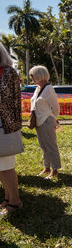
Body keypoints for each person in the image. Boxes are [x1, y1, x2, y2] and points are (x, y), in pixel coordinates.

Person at [0, 43, 23, 215]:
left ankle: (15, 201)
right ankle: (8, 197)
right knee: (2, 166)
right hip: (4, 124)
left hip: (4, 125)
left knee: (6, 166)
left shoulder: (7, 72)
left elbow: (6, 99)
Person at [30, 66, 61, 179]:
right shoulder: (37, 88)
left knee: (51, 146)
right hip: (39, 121)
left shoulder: (48, 89)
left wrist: (53, 118)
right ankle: (46, 167)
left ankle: (55, 169)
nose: (31, 77)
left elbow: (56, 107)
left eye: (33, 75)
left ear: (39, 75)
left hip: (47, 120)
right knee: (44, 146)